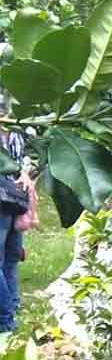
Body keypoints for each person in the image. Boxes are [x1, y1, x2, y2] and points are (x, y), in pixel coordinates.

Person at [0, 114, 38, 335]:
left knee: (6, 260)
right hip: (15, 198)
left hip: (4, 199)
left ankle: (5, 321)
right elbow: (23, 165)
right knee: (10, 259)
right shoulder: (17, 133)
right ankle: (13, 308)